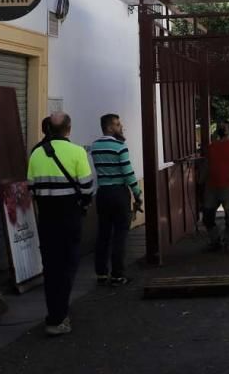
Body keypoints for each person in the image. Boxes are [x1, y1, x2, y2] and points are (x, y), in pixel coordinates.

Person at [27, 112, 94, 337]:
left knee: (51, 267)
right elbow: (87, 187)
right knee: (68, 265)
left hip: (46, 218)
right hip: (70, 217)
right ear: (69, 129)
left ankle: (55, 313)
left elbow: (31, 188)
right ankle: (58, 315)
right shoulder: (77, 152)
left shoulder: (36, 153)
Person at [91, 113, 142, 287]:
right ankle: (118, 275)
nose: (121, 127)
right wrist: (137, 193)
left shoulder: (95, 146)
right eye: (118, 124)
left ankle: (101, 273)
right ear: (109, 127)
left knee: (103, 234)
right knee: (120, 235)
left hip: (103, 193)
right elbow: (127, 173)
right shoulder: (120, 146)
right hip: (119, 194)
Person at [203, 120, 229, 253]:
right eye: (221, 126)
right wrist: (200, 183)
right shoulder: (212, 147)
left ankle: (228, 243)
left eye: (224, 127)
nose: (222, 128)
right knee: (207, 217)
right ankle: (215, 241)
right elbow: (206, 167)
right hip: (211, 187)